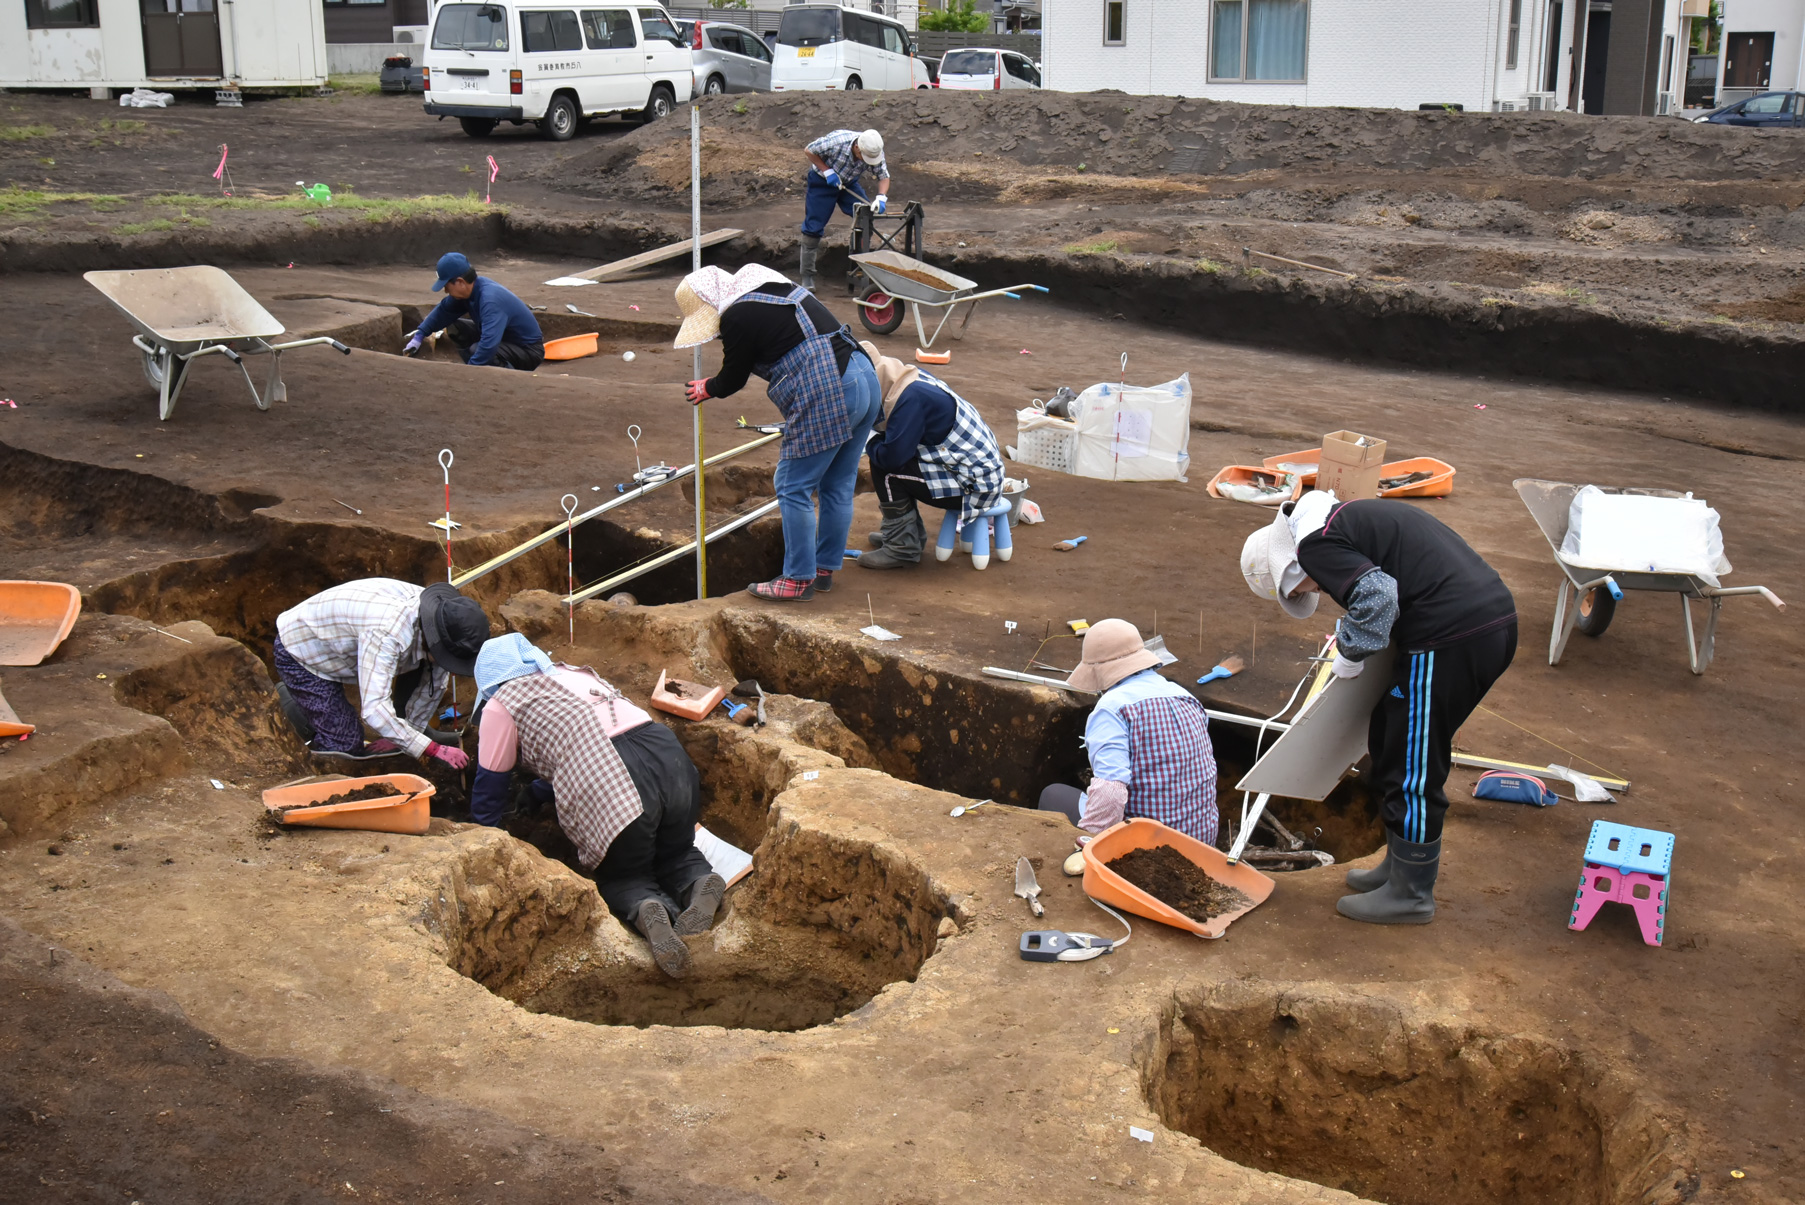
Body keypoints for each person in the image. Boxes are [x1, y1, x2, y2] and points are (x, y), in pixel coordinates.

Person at [1241, 492, 1517, 925]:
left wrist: (1350, 654)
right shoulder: (1341, 522)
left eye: (1300, 589)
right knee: (1391, 736)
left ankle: (1411, 895)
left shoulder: (1315, 546)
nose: (1313, 591)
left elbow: (1379, 595)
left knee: (1414, 761)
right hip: (1470, 625)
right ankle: (1398, 867)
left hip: (1451, 635)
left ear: (1290, 568)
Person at [469, 634, 723, 978]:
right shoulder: (577, 674)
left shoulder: (501, 704)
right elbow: (591, 740)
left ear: (488, 682)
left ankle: (647, 905)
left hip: (614, 779)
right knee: (677, 850)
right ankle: (699, 882)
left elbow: (490, 786)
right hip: (669, 759)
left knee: (624, 872)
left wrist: (486, 841)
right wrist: (540, 792)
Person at [678, 264, 881, 601]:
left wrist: (708, 387)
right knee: (837, 484)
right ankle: (823, 568)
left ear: (711, 304)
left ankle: (798, 579)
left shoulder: (736, 316)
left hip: (830, 387)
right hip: (864, 376)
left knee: (792, 484)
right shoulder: (773, 288)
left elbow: (732, 378)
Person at [1037, 619, 1219, 844]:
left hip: (1145, 848)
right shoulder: (1186, 697)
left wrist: (1089, 843)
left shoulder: (1113, 708)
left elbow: (1110, 792)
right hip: (1201, 842)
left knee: (1052, 795)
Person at [272, 578, 486, 769]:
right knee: (344, 744)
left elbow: (434, 683)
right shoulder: (387, 633)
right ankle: (290, 705)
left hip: (340, 643)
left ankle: (310, 709)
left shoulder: (441, 619)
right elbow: (374, 709)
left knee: (406, 718)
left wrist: (406, 737)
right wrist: (432, 749)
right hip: (303, 649)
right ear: (434, 641)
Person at [856, 342, 1005, 571]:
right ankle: (908, 534)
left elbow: (892, 457)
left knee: (886, 468)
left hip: (974, 486)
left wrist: (870, 439)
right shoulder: (905, 379)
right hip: (972, 470)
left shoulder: (908, 399)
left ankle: (901, 547)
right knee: (894, 459)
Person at [404, 252, 545, 371]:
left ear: (460, 282)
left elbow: (489, 344)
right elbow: (442, 312)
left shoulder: (490, 300)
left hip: (528, 351)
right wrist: (419, 336)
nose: (446, 291)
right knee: (455, 327)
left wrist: (470, 373)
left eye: (446, 286)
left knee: (478, 350)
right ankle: (477, 369)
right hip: (503, 340)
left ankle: (506, 379)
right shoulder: (470, 291)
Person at [798, 128, 889, 290]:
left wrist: (881, 197)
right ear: (856, 148)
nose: (867, 162)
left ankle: (861, 269)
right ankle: (807, 277)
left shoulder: (874, 150)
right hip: (822, 182)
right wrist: (827, 171)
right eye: (864, 158)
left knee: (865, 216)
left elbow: (883, 176)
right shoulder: (837, 142)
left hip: (848, 183)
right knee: (813, 227)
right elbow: (809, 150)